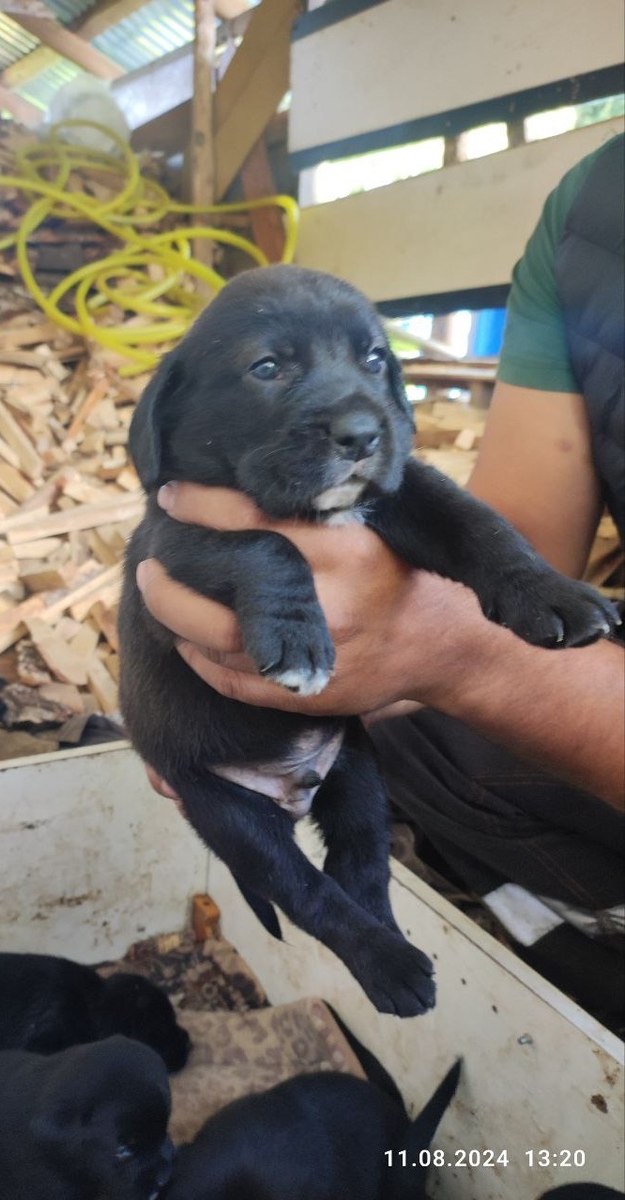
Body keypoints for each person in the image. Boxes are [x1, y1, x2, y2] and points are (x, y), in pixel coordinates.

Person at [135, 132, 625, 1025]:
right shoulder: (595, 209)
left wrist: (488, 622)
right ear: (170, 412)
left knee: (362, 831)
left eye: (371, 364)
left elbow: (450, 533)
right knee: (350, 794)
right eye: (271, 368)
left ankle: (416, 915)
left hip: (348, 733)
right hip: (215, 755)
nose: (358, 413)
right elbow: (500, 538)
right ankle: (356, 929)